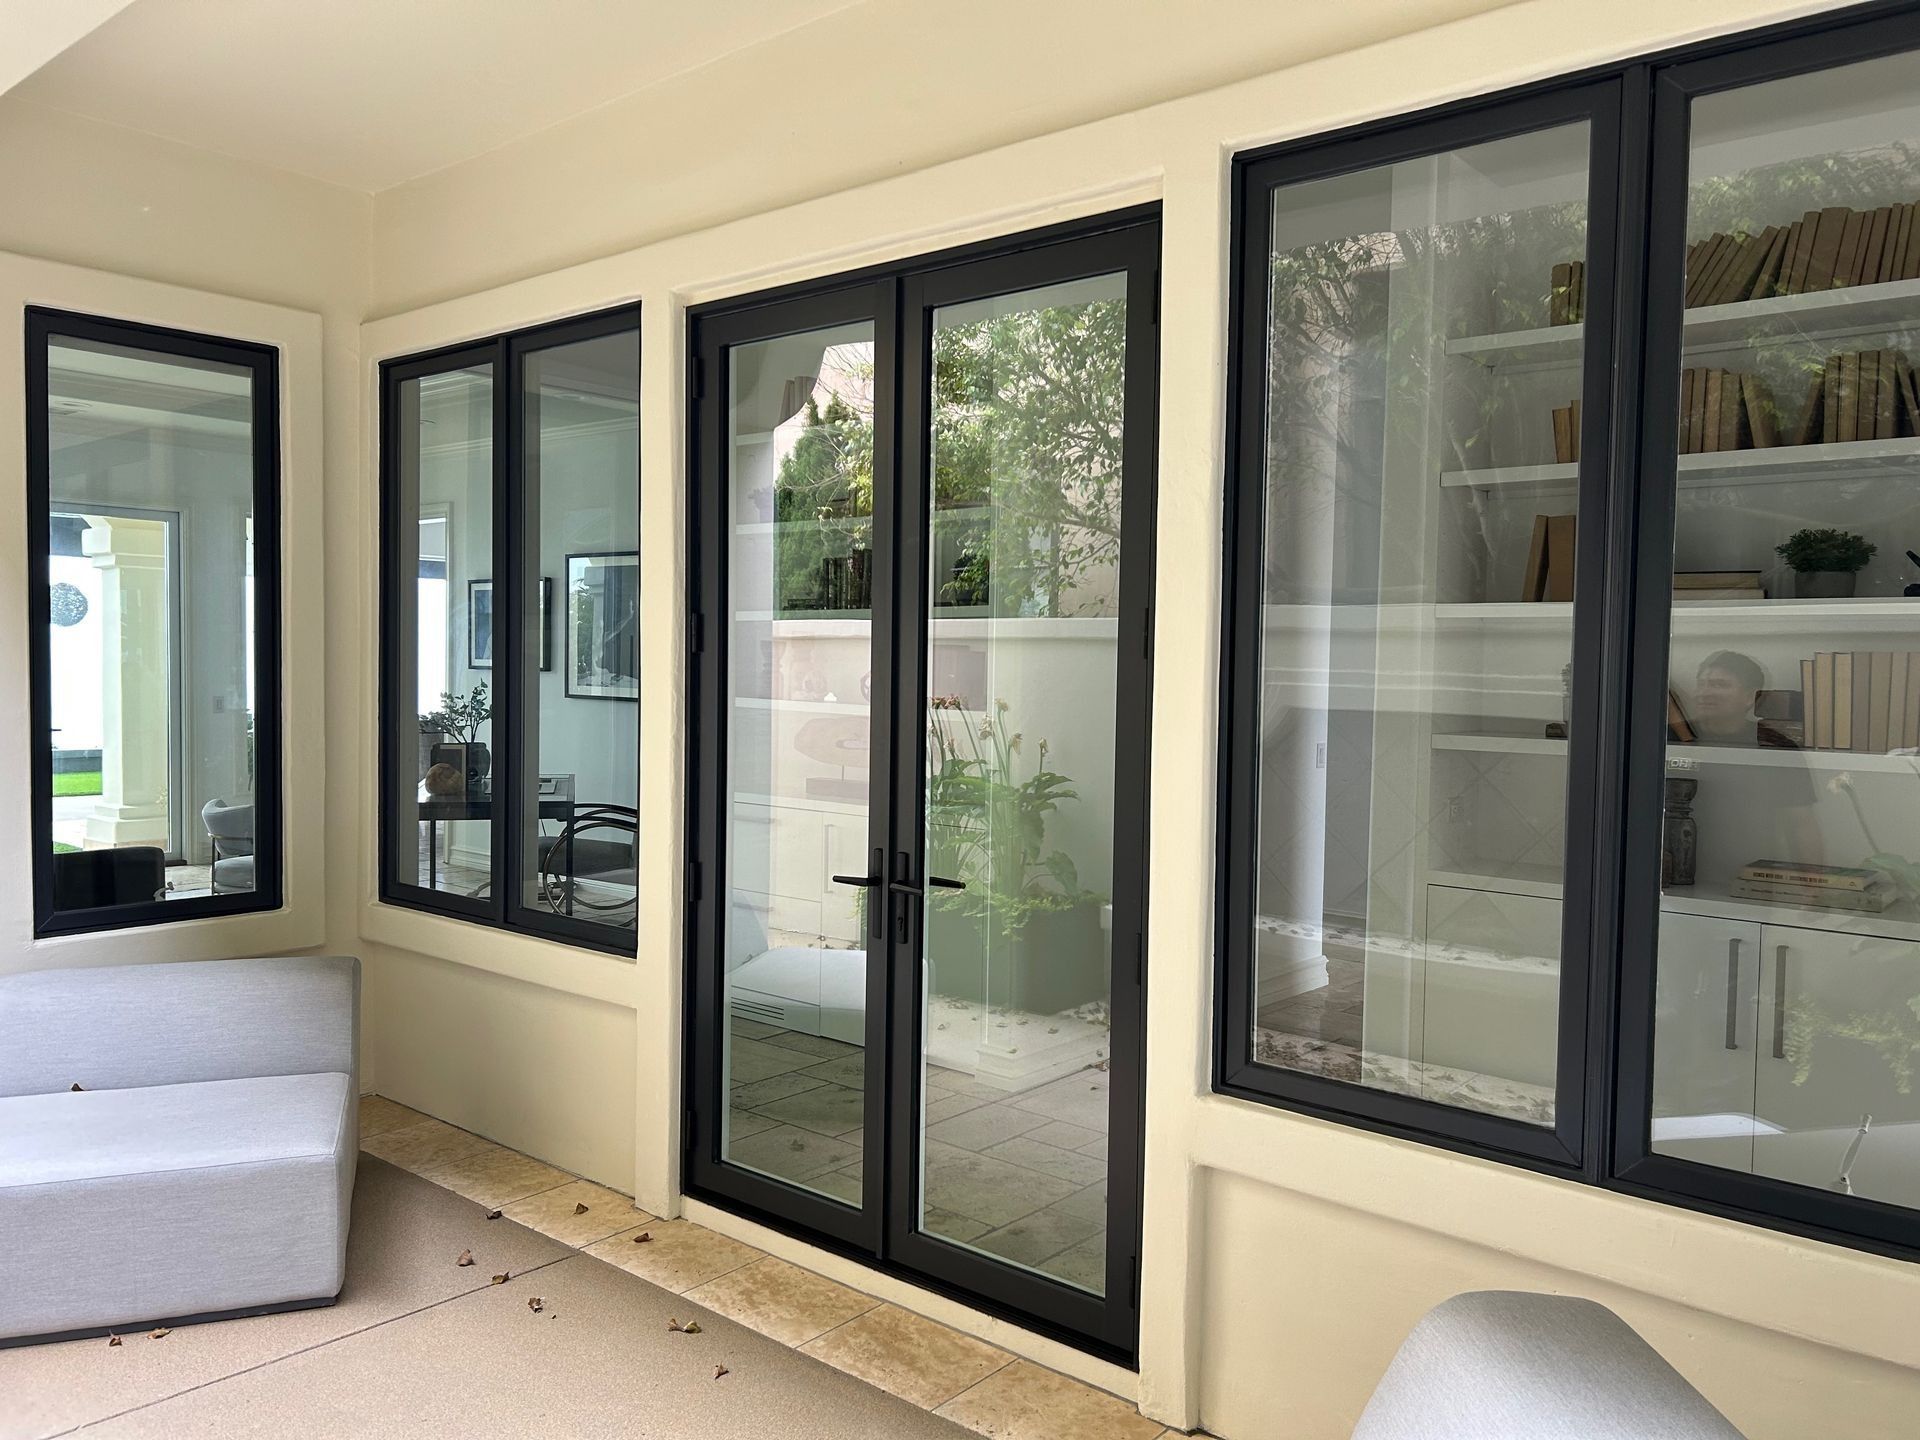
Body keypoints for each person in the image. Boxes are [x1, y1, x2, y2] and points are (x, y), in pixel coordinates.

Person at [1687, 649, 1822, 865]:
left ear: (1751, 697)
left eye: (1719, 685)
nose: (1704, 692)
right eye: (1701, 683)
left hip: (1750, 873)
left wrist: (1811, 885)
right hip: (1671, 877)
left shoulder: (1776, 745)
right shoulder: (1672, 738)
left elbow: (1800, 823)